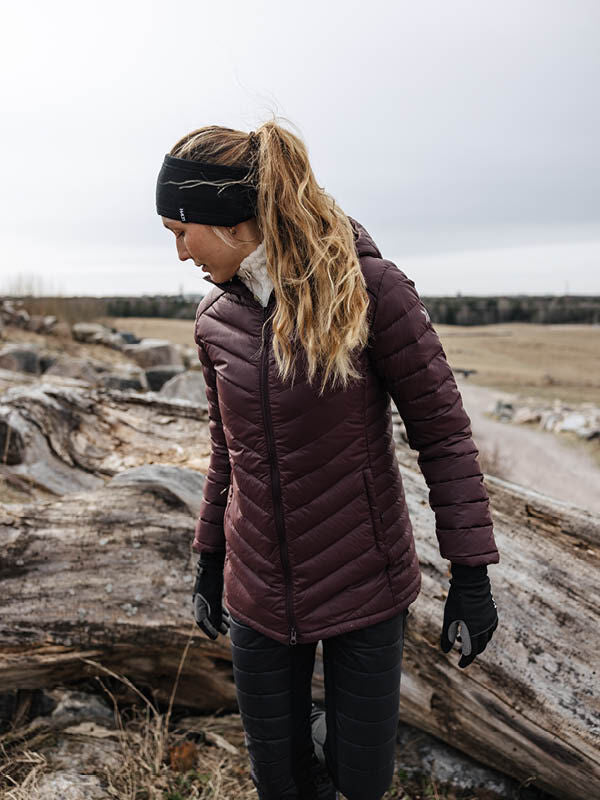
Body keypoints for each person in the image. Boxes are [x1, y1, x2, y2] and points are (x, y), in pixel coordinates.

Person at [155, 117, 500, 800]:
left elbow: (444, 434)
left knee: (359, 784)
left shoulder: (371, 291)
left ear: (226, 220)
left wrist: (472, 573)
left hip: (364, 587)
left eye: (179, 232)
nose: (178, 254)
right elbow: (228, 449)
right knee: (280, 785)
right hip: (256, 594)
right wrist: (209, 558)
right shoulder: (214, 322)